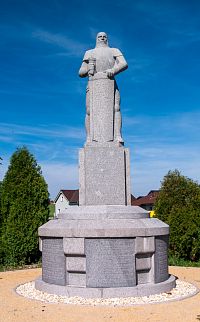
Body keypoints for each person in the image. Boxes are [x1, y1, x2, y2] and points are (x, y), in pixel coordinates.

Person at [79, 32, 128, 143]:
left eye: (104, 36)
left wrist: (113, 70)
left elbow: (124, 63)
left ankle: (117, 136)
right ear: (96, 39)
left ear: (107, 39)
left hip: (110, 82)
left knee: (116, 108)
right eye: (99, 36)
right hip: (93, 84)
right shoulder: (89, 52)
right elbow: (81, 72)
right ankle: (89, 138)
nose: (102, 38)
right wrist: (88, 69)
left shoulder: (114, 50)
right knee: (89, 111)